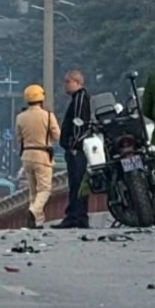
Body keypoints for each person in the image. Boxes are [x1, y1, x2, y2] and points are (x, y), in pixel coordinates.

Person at [15, 84, 60, 229]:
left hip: (27, 156)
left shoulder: (20, 117)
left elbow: (18, 137)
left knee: (33, 190)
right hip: (43, 155)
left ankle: (38, 222)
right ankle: (33, 211)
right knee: (45, 189)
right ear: (42, 98)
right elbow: (57, 135)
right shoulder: (47, 116)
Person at [55, 70, 92, 229]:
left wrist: (74, 145)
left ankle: (75, 216)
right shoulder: (78, 98)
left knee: (77, 183)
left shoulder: (80, 98)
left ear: (76, 82)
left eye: (67, 82)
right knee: (76, 183)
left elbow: (79, 123)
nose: (65, 85)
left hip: (77, 150)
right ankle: (77, 215)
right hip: (76, 148)